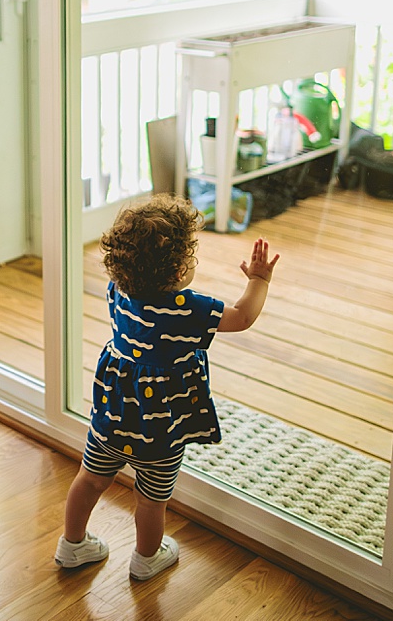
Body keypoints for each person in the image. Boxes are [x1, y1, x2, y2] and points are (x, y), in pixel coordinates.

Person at [53, 193, 278, 580]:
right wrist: (259, 279)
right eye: (190, 255)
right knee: (152, 498)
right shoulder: (185, 309)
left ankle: (72, 545)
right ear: (176, 271)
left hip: (112, 412)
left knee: (90, 479)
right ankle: (147, 557)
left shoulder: (118, 289)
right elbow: (241, 317)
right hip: (159, 425)